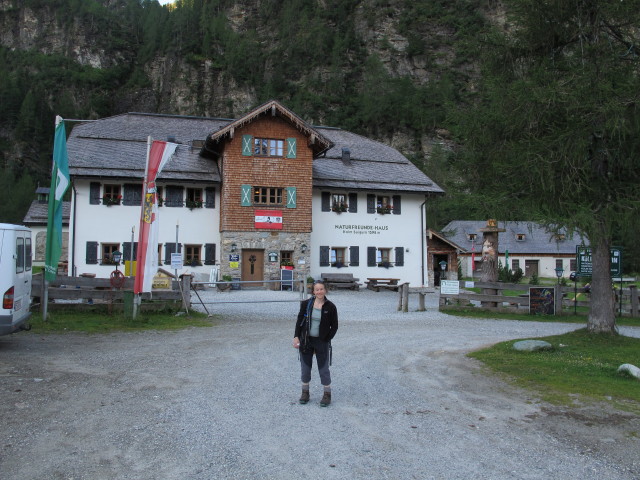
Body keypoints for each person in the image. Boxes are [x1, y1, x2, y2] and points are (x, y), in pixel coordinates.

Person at [293, 280, 338, 406]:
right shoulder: (306, 304)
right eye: (317, 289)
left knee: (323, 368)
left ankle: (327, 394)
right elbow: (299, 321)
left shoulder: (330, 306)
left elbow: (334, 326)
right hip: (306, 339)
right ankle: (305, 392)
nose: (319, 291)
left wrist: (327, 338)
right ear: (313, 291)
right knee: (305, 368)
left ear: (325, 290)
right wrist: (296, 336)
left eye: (321, 289)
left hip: (321, 341)